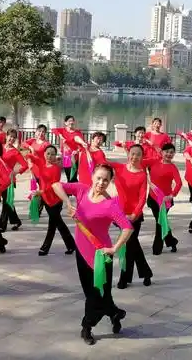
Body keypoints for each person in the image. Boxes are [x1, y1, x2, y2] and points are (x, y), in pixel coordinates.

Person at [47, 165, 133, 346]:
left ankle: (86, 326)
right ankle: (115, 314)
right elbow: (56, 185)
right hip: (81, 250)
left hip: (101, 255)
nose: (101, 183)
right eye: (99, 178)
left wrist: (114, 248)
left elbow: (127, 227)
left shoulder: (111, 204)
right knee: (94, 293)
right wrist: (68, 202)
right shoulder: (81, 190)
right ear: (93, 176)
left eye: (106, 180)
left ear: (110, 182)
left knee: (97, 294)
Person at [109, 145, 152, 288]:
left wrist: (134, 214)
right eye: (132, 154)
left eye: (138, 154)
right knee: (132, 244)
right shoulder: (119, 168)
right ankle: (145, 273)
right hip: (120, 214)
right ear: (128, 154)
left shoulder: (142, 175)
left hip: (134, 216)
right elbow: (101, 162)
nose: (135, 157)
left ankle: (125, 278)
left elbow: (142, 197)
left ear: (142, 157)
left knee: (129, 245)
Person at [27, 145, 76, 256]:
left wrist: (41, 192)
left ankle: (45, 248)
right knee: (57, 224)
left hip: (55, 200)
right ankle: (71, 245)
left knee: (54, 225)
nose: (50, 156)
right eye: (48, 153)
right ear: (44, 154)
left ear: (55, 156)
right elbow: (29, 156)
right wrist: (30, 154)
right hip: (46, 199)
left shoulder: (56, 169)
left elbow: (53, 186)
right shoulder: (41, 163)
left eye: (53, 154)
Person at [146, 143, 181, 255]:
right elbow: (140, 163)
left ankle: (157, 248)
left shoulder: (173, 167)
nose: (169, 154)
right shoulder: (154, 162)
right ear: (161, 152)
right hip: (152, 198)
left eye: (171, 152)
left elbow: (179, 183)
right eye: (167, 152)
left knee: (160, 222)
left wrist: (171, 195)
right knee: (161, 221)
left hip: (164, 201)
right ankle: (171, 241)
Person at [0, 130, 28, 232]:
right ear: (6, 136)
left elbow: (25, 165)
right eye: (10, 136)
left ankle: (2, 225)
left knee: (6, 202)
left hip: (8, 180)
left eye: (14, 137)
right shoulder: (0, 147)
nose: (11, 139)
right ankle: (16, 221)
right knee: (7, 201)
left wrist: (15, 172)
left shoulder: (15, 152)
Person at [52, 115, 87, 183]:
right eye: (69, 121)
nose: (71, 122)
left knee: (73, 177)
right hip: (66, 157)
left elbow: (79, 142)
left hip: (74, 157)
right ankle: (72, 188)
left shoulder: (77, 132)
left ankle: (77, 188)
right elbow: (53, 130)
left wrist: (78, 149)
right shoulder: (63, 130)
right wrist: (60, 135)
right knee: (68, 176)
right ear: (65, 123)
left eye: (72, 121)